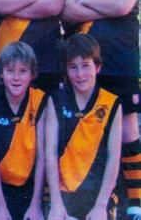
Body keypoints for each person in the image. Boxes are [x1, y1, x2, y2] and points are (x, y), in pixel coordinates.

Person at [62, 0, 141, 217]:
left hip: (121, 60)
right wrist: (104, 2)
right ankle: (102, 197)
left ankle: (135, 199)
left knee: (127, 129)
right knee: (93, 129)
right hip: (87, 63)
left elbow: (124, 6)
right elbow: (67, 10)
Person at [46, 33, 122, 220]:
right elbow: (50, 153)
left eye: (86, 66)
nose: (80, 75)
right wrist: (56, 203)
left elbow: (114, 157)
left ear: (98, 66)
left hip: (98, 195)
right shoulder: (56, 100)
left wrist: (100, 206)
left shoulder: (112, 103)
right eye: (73, 67)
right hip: (64, 195)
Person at [0, 42, 47, 220]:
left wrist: (36, 205)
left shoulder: (40, 100)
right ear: (1, 73)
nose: (16, 77)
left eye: (23, 71)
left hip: (30, 189)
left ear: (32, 74)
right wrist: (0, 206)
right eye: (10, 70)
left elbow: (42, 155)